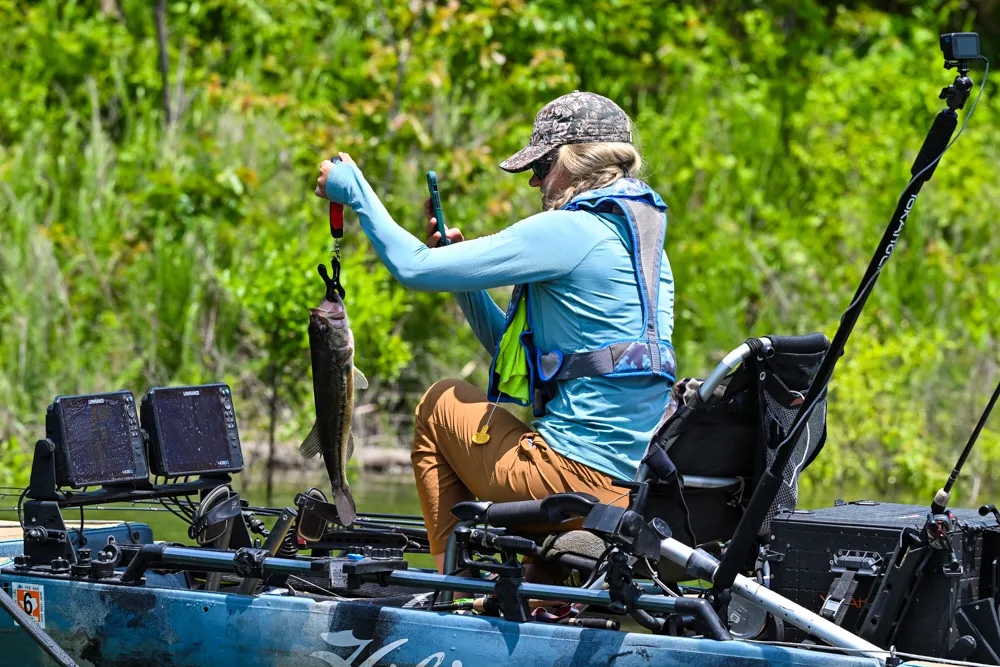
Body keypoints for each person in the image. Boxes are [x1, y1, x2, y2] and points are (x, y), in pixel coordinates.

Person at [315, 91, 675, 573]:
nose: (534, 181)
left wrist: (355, 190)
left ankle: (452, 584)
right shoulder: (646, 251)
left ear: (574, 161)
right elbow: (515, 358)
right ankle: (537, 584)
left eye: (542, 166)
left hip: (566, 480)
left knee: (439, 404)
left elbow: (412, 268)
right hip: (626, 492)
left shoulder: (569, 231)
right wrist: (464, 283)